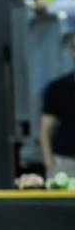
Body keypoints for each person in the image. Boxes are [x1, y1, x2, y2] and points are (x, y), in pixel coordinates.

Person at [41, 32, 75, 178]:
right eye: (74, 48)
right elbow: (45, 129)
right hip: (65, 163)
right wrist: (49, 162)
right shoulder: (58, 88)